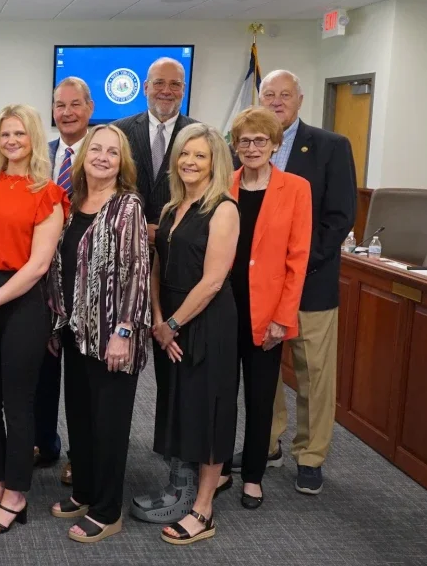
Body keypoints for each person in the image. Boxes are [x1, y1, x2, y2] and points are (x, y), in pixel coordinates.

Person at [233, 70, 357, 495]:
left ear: (300, 99)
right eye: (270, 94)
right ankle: (267, 443)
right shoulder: (245, 152)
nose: (277, 101)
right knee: (264, 371)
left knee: (313, 374)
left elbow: (340, 217)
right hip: (255, 289)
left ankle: (310, 455)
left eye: (285, 95)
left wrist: (294, 270)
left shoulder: (330, 146)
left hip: (312, 286)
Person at [0, 104, 69, 535]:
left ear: (33, 139)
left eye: (20, 134)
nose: (12, 141)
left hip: (24, 303)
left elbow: (38, 266)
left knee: (18, 404)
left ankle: (19, 493)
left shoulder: (48, 193)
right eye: (5, 134)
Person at [46, 125, 150, 543]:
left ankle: (108, 511)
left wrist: (124, 331)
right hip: (77, 333)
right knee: (82, 418)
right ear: (84, 154)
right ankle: (86, 491)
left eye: (113, 151)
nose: (103, 157)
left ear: (121, 161)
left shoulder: (128, 207)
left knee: (109, 425)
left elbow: (138, 274)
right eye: (97, 149)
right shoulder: (71, 203)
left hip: (112, 337)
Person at [115, 57, 200, 524]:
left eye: (175, 84)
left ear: (183, 88)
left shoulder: (198, 134)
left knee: (177, 370)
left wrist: (162, 229)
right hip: (127, 263)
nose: (167, 90)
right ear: (144, 87)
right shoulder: (120, 130)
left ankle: (178, 462)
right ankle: (115, 449)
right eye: (159, 83)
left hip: (180, 264)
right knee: (121, 360)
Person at [215, 106, 312, 509]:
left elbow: (298, 259)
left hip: (266, 315)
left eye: (260, 140)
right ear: (234, 146)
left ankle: (253, 476)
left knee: (259, 398)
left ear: (275, 144)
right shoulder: (223, 183)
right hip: (222, 309)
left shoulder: (296, 188)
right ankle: (218, 467)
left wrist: (282, 318)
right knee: (221, 395)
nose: (252, 147)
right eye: (244, 141)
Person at [149, 123, 239, 545]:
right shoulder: (171, 208)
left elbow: (213, 281)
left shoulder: (223, 208)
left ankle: (203, 509)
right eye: (185, 154)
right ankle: (185, 488)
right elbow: (155, 267)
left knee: (209, 410)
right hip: (168, 320)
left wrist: (173, 324)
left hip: (205, 322)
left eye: (200, 155)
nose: (190, 162)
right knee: (181, 406)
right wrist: (156, 317)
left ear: (214, 161)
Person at [39, 76, 95, 485]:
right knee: (42, 366)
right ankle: (44, 440)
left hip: (87, 281)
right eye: (60, 105)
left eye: (75, 105)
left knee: (81, 377)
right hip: (44, 277)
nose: (68, 113)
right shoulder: (44, 156)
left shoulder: (103, 153)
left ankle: (81, 453)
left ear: (89, 108)